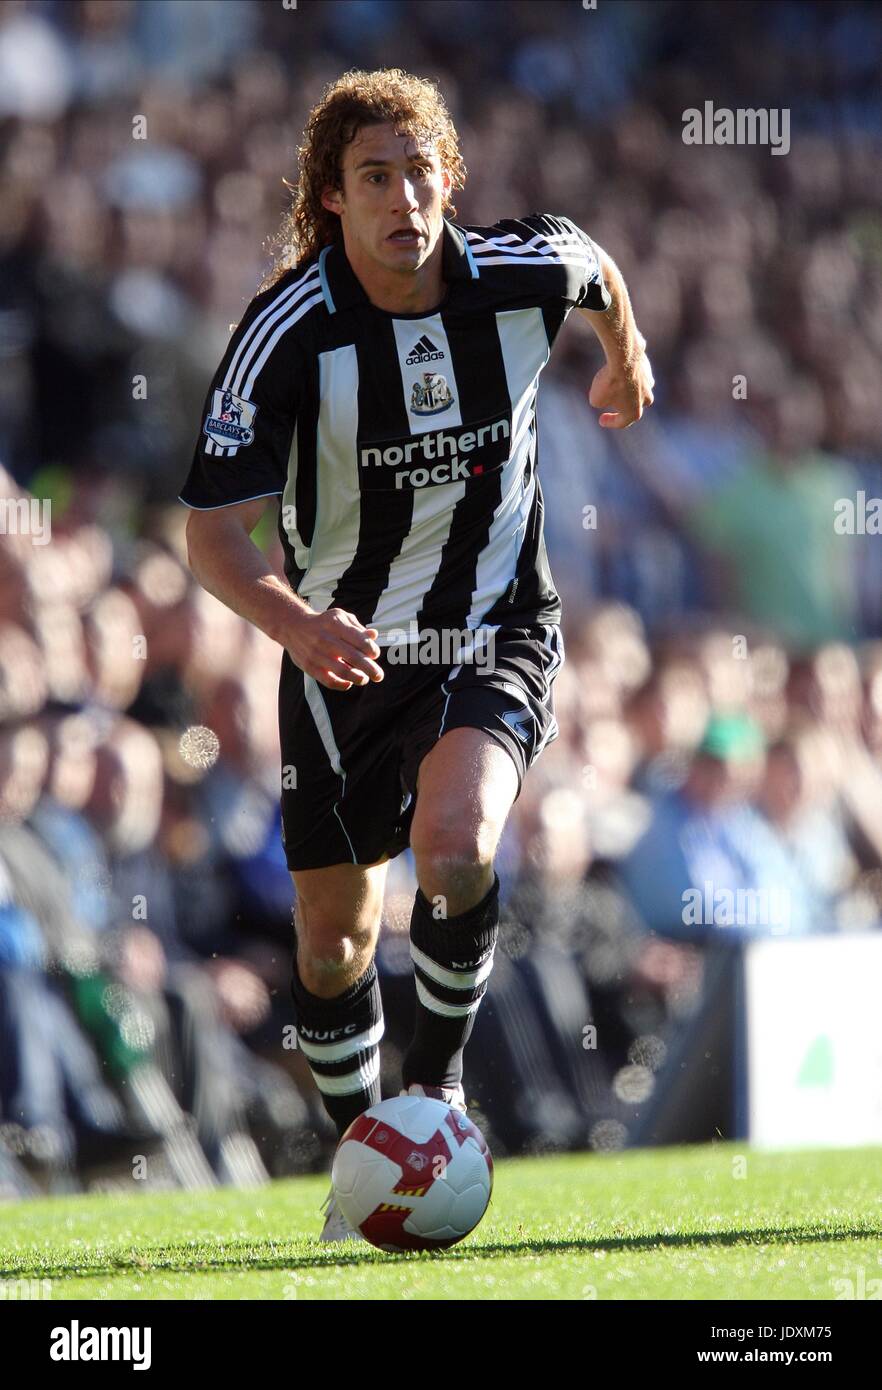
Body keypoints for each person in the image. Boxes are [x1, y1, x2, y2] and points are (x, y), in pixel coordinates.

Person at [180, 68, 653, 1239]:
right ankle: (366, 1156)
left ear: (451, 178)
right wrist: (293, 624)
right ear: (331, 199)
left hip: (495, 626)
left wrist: (624, 354)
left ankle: (434, 1092)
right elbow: (207, 535)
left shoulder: (517, 275)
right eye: (374, 178)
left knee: (454, 841)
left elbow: (593, 262)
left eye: (420, 171)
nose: (405, 197)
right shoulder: (289, 331)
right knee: (333, 946)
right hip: (342, 654)